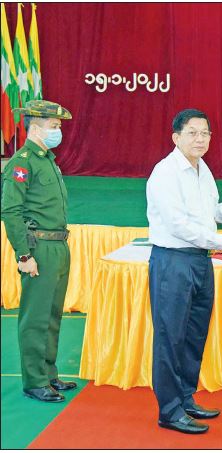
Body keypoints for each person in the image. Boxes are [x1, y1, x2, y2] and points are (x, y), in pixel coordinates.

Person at [146, 108, 222, 434]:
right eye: (192, 133)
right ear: (176, 137)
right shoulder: (165, 173)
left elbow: (205, 215)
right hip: (173, 262)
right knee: (170, 337)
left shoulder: (202, 169)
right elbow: (178, 225)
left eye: (205, 133)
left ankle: (185, 398)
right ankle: (169, 410)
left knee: (194, 334)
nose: (200, 139)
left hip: (200, 260)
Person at [2, 100, 77, 403]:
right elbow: (11, 211)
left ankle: (48, 374)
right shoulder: (22, 163)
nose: (58, 131)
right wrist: (23, 255)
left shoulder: (47, 160)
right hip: (38, 248)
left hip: (57, 245)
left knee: (52, 315)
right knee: (36, 317)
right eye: (54, 126)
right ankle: (34, 381)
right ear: (35, 128)